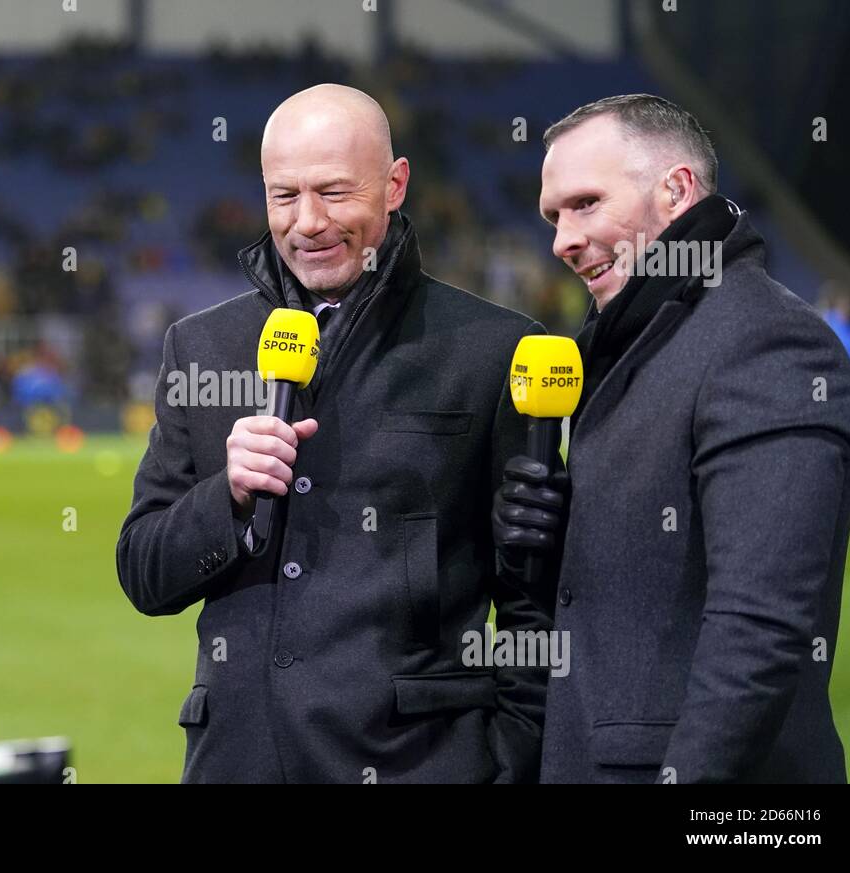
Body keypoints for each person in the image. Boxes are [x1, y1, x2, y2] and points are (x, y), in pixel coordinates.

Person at [117, 84, 550, 783]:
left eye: (334, 193)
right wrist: (225, 498)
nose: (307, 222)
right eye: (283, 196)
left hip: (422, 765)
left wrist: (509, 757)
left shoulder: (494, 350)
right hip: (237, 761)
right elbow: (144, 570)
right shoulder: (200, 347)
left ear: (395, 184)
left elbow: (535, 598)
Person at [494, 94, 850, 782]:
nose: (561, 240)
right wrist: (548, 559)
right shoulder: (639, 339)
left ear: (676, 191)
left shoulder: (765, 341)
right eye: (553, 216)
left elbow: (758, 631)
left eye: (584, 204)